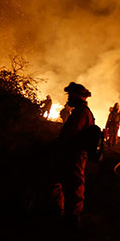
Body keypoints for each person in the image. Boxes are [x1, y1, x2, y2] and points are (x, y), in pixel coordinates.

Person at [51, 82, 94, 227]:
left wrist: (58, 144)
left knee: (75, 185)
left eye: (71, 95)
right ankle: (59, 211)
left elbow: (70, 134)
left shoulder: (81, 113)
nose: (68, 98)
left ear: (78, 96)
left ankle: (73, 218)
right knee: (58, 180)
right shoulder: (80, 111)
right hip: (70, 153)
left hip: (75, 154)